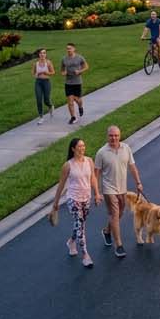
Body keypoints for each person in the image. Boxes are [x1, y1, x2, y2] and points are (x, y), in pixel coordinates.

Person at [50, 138, 101, 268]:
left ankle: (71, 241)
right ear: (73, 149)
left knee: (80, 224)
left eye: (83, 146)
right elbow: (61, 185)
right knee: (80, 225)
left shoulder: (89, 161)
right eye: (79, 146)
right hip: (73, 199)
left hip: (86, 197)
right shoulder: (68, 165)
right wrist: (55, 203)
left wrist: (97, 194)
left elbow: (93, 178)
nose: (82, 148)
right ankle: (85, 255)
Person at [95, 125, 143, 258]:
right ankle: (119, 245)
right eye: (111, 135)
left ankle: (107, 231)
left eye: (116, 135)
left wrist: (138, 182)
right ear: (107, 136)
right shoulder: (101, 152)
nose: (113, 138)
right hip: (108, 188)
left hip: (122, 188)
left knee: (119, 213)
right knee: (115, 214)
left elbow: (132, 167)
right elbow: (96, 173)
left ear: (120, 136)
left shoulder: (126, 148)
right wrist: (97, 192)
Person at [61, 43, 89, 125]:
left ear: (74, 49)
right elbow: (62, 70)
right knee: (70, 101)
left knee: (78, 100)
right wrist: (63, 73)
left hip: (77, 82)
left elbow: (86, 66)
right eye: (67, 48)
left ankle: (80, 107)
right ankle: (73, 117)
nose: (68, 50)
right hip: (68, 82)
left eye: (70, 48)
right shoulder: (64, 59)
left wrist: (79, 71)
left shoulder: (79, 58)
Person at [33, 48, 55, 125]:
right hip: (38, 82)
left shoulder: (48, 63)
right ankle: (41, 117)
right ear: (38, 54)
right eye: (41, 53)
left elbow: (53, 72)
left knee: (46, 99)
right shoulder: (35, 63)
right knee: (39, 99)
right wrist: (36, 75)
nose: (42, 54)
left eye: (44, 53)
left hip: (46, 82)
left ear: (46, 54)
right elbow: (33, 74)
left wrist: (47, 72)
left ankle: (50, 106)